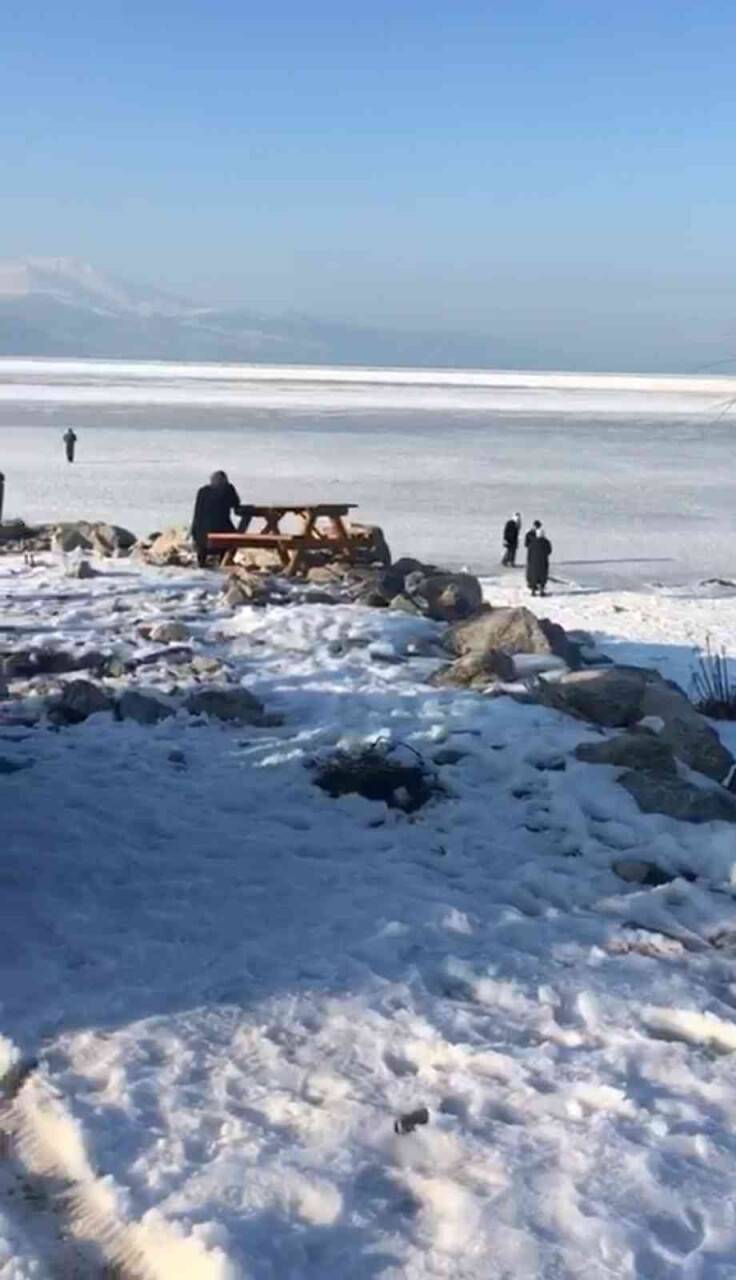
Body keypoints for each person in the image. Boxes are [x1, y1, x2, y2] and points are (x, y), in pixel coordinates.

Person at [191, 470, 241, 568]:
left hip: (201, 537)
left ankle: (202, 563)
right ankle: (224, 560)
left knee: (203, 527)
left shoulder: (202, 491)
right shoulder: (228, 489)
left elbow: (197, 513)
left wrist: (193, 532)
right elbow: (236, 504)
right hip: (221, 532)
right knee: (236, 537)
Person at [526, 521, 552, 596]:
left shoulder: (533, 542)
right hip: (543, 562)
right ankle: (541, 590)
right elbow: (549, 551)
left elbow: (529, 552)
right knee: (543, 576)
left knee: (534, 576)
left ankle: (533, 591)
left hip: (533, 562)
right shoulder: (546, 542)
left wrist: (529, 560)